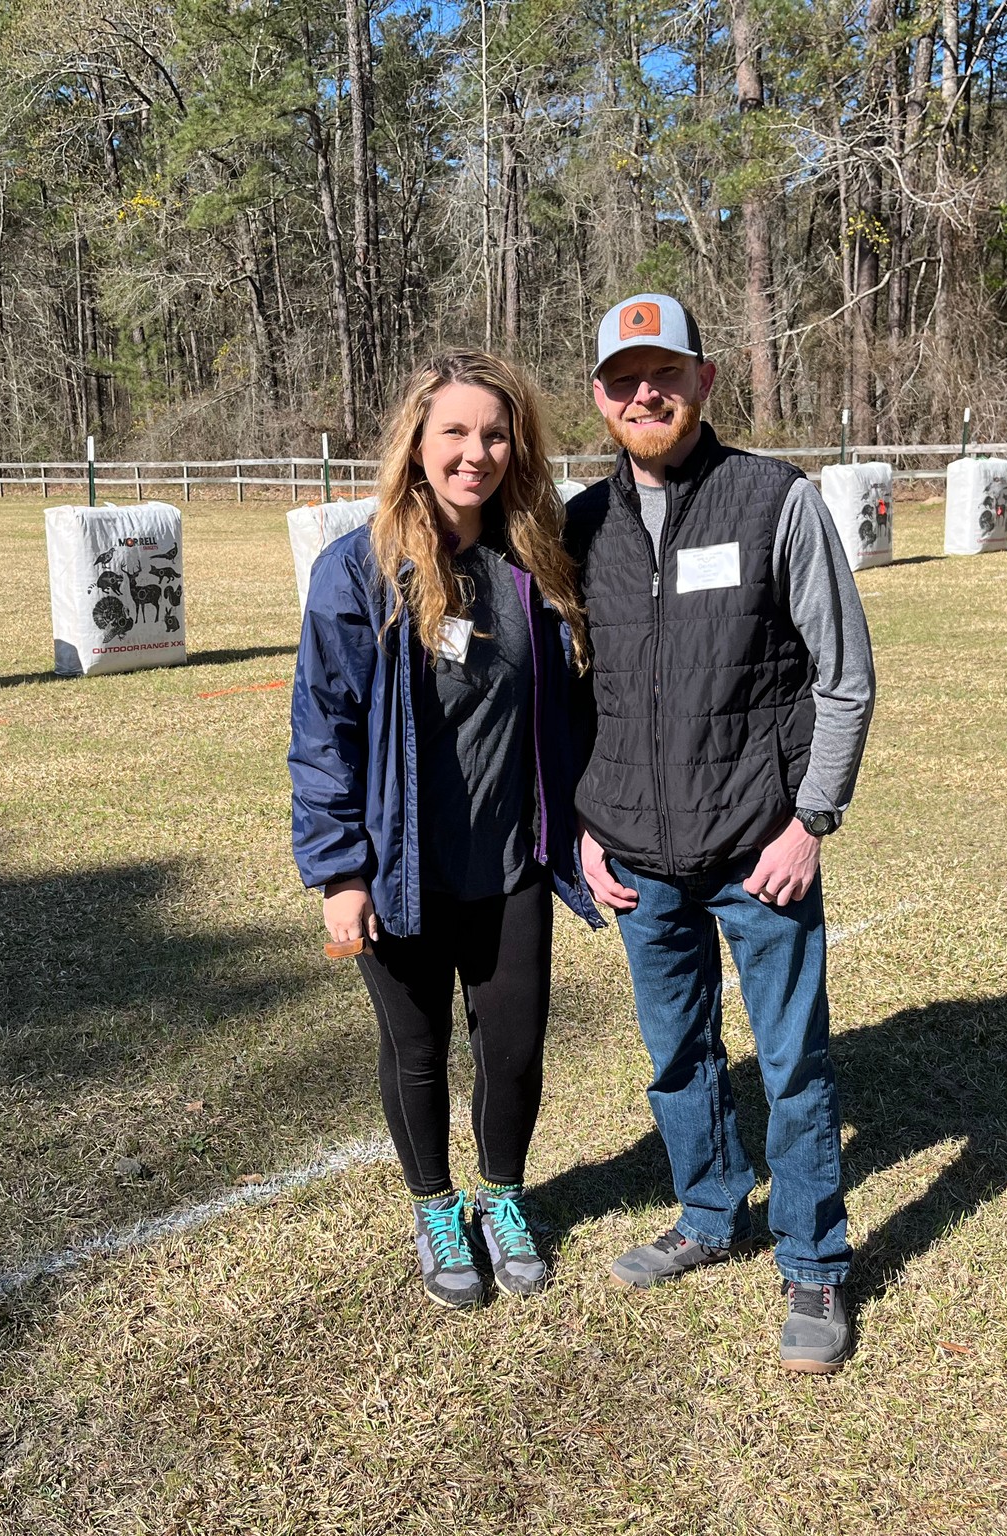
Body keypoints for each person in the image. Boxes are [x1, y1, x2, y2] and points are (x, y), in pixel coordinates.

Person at [563, 294, 876, 1373]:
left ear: (703, 380)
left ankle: (815, 1263)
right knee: (674, 1057)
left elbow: (842, 678)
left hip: (758, 855)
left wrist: (809, 821)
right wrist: (583, 826)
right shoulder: (578, 525)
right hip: (637, 862)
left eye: (662, 372)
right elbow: (568, 700)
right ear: (599, 397)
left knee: (793, 1067)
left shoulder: (772, 501)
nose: (641, 394)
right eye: (620, 379)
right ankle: (706, 1213)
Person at [290, 350, 604, 1310]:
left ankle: (503, 1199)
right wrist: (341, 872)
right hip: (401, 869)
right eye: (456, 433)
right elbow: (324, 729)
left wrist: (584, 828)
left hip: (510, 862)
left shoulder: (534, 562)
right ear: (417, 444)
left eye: (496, 434)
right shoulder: (360, 570)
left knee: (513, 1051)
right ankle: (437, 1210)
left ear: (519, 446)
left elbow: (572, 715)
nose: (477, 453)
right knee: (417, 1051)